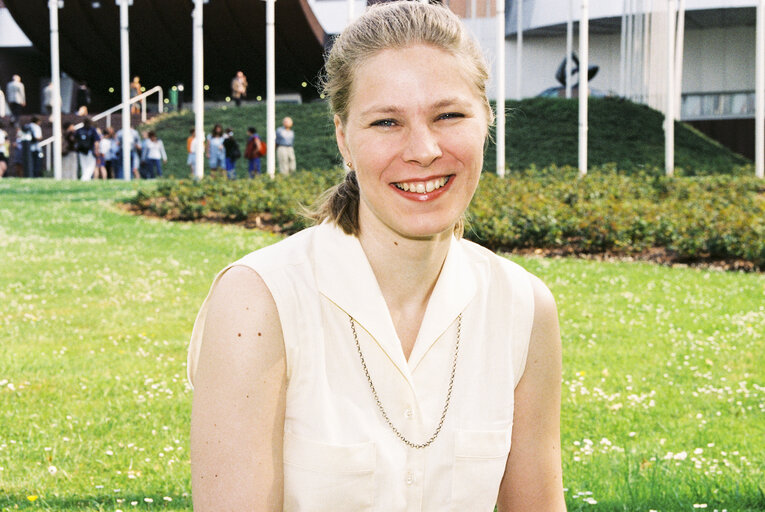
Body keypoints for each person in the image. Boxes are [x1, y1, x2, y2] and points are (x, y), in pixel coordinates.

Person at [188, 2, 565, 511]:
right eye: (387, 122)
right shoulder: (260, 303)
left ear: (487, 121)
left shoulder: (523, 306)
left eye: (448, 115)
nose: (423, 149)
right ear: (344, 138)